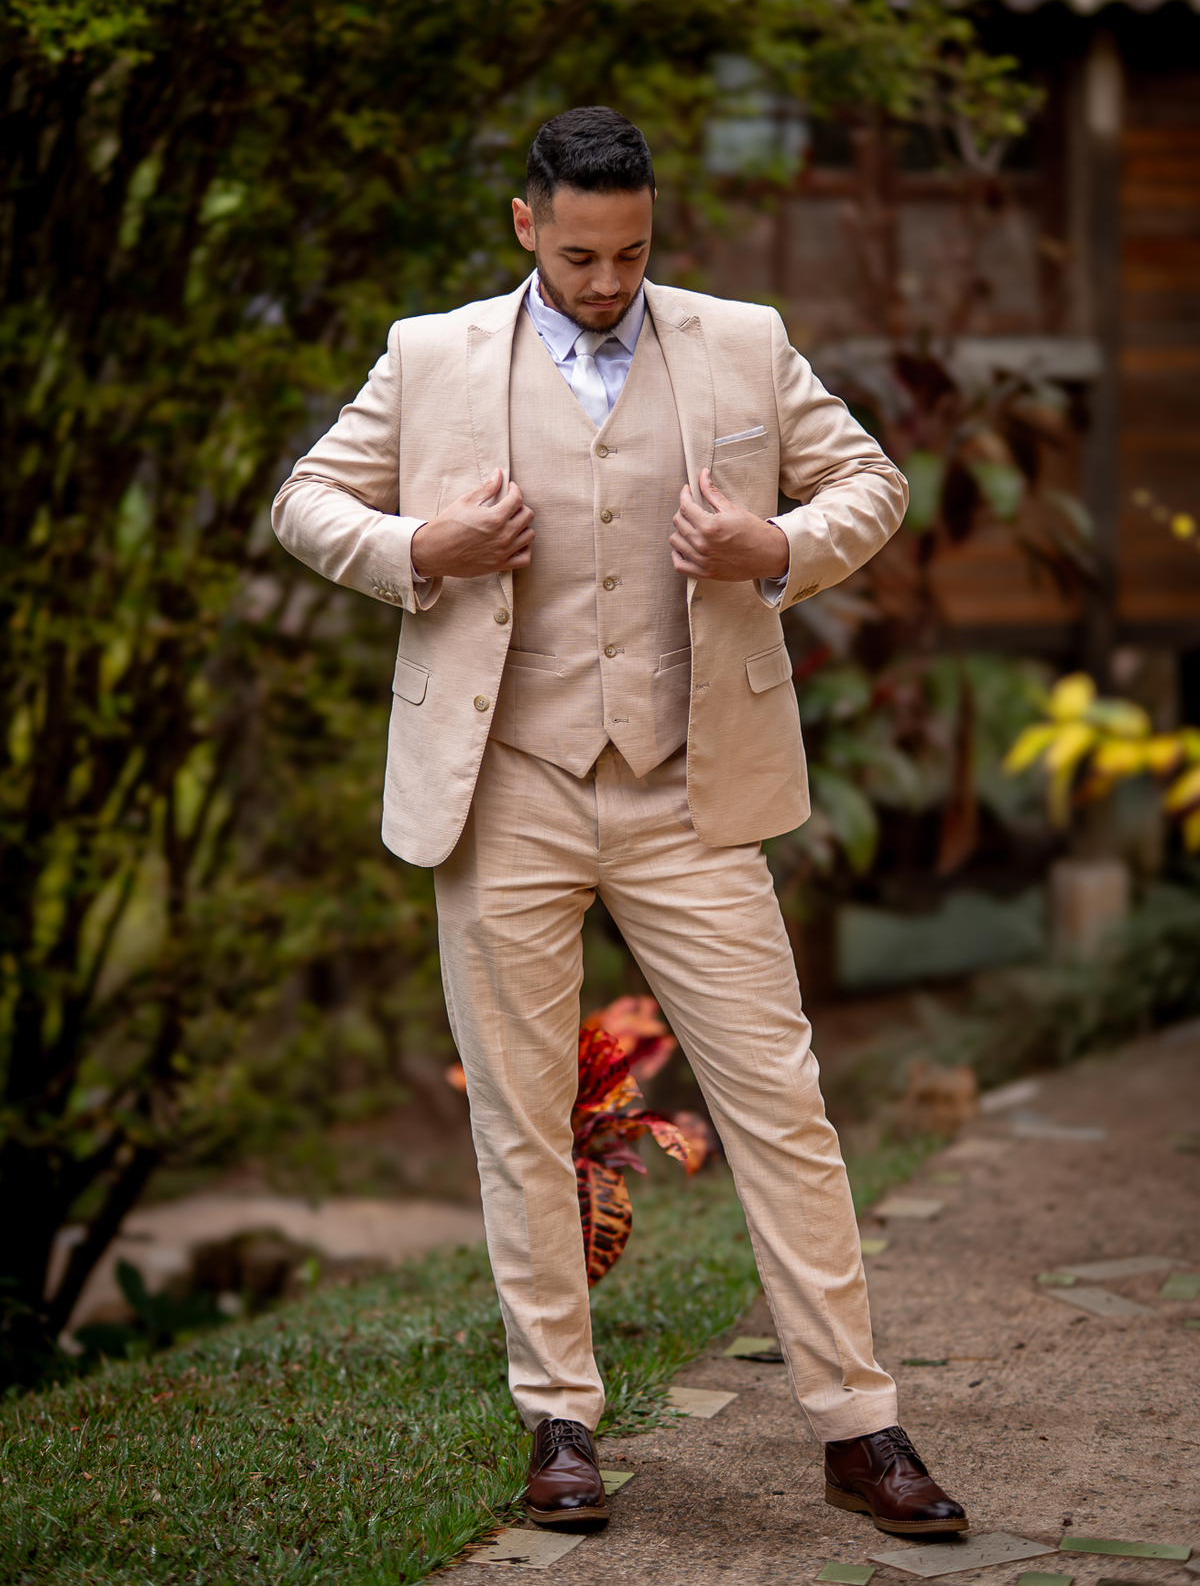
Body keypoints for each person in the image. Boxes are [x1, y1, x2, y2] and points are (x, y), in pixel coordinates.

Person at [272, 106, 968, 1538]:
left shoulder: (741, 342)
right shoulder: (432, 356)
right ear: (527, 225)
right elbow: (307, 504)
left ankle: (859, 1425)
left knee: (782, 1105)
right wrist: (425, 547)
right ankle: (559, 1424)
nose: (607, 283)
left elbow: (873, 484)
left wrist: (774, 546)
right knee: (523, 1118)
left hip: (688, 788)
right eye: (580, 257)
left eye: (632, 255)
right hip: (503, 785)